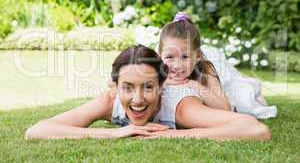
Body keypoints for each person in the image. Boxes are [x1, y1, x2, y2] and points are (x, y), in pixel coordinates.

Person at [25, 45, 271, 140]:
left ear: (162, 86)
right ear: (115, 87)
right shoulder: (110, 100)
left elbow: (256, 129)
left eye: (149, 87)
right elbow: (36, 131)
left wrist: (167, 136)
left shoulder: (182, 108)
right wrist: (120, 133)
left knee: (248, 98)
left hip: (212, 85)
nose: (138, 99)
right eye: (127, 88)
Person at [158, 12, 277, 118]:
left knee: (245, 102)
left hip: (222, 79)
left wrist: (194, 85)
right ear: (159, 55)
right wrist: (164, 83)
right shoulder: (155, 70)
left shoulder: (206, 69)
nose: (177, 65)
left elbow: (225, 108)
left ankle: (254, 90)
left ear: (198, 56)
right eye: (169, 57)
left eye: (185, 57)